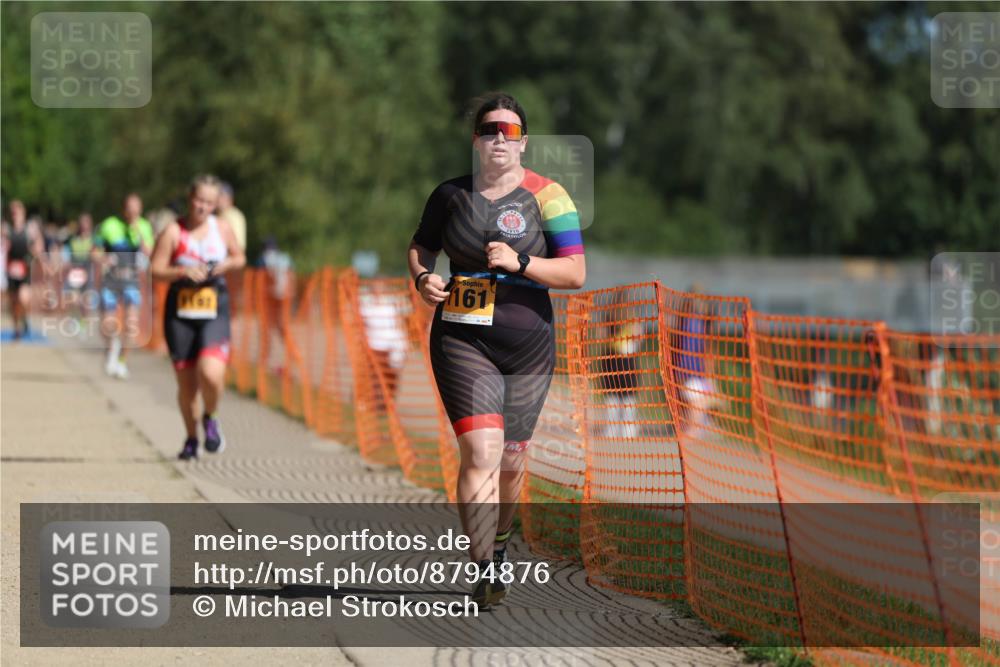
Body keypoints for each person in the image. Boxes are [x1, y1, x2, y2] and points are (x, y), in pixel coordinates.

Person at [408, 92, 586, 609]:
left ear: (524, 142)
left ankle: (501, 544)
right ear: (476, 140)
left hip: (527, 343)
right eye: (489, 129)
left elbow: (574, 273)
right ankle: (483, 566)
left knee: (510, 460)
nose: (499, 138)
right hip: (463, 337)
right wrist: (422, 277)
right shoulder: (449, 195)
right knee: (480, 452)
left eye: (509, 131)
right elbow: (421, 245)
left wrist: (521, 262)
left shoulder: (550, 197)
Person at [150, 174, 245, 460]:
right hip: (180, 312)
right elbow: (154, 270)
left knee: (211, 373)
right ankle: (191, 439)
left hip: (214, 307)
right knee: (187, 387)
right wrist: (181, 272)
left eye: (209, 203)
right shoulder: (173, 232)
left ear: (216, 205)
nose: (203, 207)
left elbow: (240, 257)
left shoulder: (223, 229)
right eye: (199, 200)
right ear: (190, 199)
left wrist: (226, 264)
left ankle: (211, 417)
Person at [95, 193, 154, 378]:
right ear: (123, 209)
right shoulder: (109, 225)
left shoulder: (144, 227)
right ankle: (112, 347)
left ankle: (122, 362)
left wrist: (139, 235)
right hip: (111, 281)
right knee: (107, 324)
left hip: (132, 282)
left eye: (136, 210)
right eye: (129, 210)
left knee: (131, 325)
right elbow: (94, 251)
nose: (132, 214)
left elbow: (150, 253)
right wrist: (104, 258)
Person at [4, 201, 44, 339]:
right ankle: (17, 329)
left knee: (23, 299)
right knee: (13, 303)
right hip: (11, 271)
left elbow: (39, 247)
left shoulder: (30, 229)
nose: (14, 214)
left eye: (17, 210)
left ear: (23, 212)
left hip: (25, 270)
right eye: (12, 211)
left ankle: (24, 317)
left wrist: (34, 251)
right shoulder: (6, 229)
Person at [62, 212, 96, 322]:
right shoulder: (72, 239)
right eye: (82, 222)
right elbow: (66, 253)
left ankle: (83, 323)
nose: (84, 225)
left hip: (88, 273)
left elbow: (98, 256)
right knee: (71, 298)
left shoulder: (94, 240)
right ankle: (75, 317)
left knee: (86, 301)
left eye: (86, 222)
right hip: (74, 273)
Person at [217, 181, 247, 253]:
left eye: (220, 196)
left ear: (229, 198)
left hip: (228, 260)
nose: (217, 199)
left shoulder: (233, 215)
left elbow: (238, 245)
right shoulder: (220, 215)